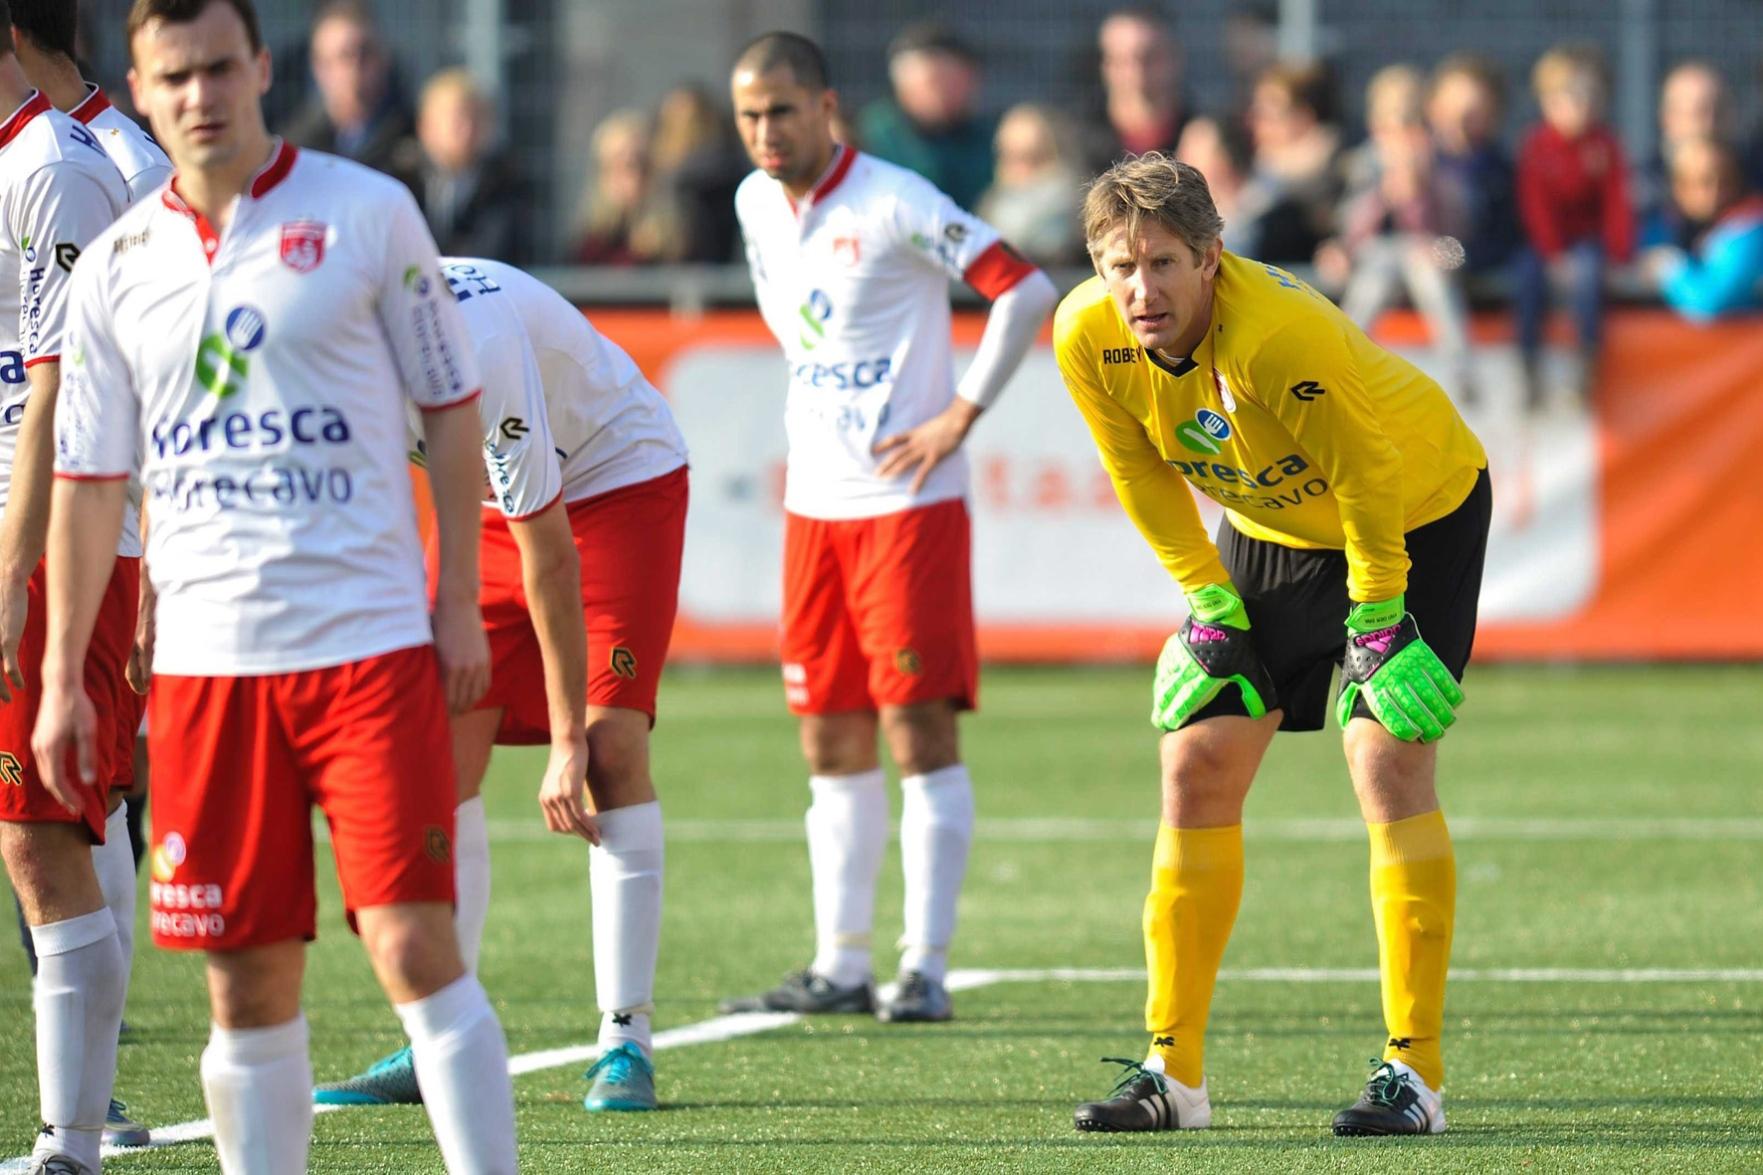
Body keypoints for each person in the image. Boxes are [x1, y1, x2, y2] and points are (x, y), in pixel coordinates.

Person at [37, 1, 517, 1171]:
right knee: (244, 982)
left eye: (218, 68)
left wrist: (455, 599)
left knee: (413, 945)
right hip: (206, 674)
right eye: (174, 77)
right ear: (140, 93)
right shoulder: (112, 269)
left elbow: (452, 417)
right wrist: (62, 677)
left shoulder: (367, 213)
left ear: (261, 67)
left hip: (365, 650)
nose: (200, 95)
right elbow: (90, 487)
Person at [1053, 153, 1488, 1136]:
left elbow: (1368, 474)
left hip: (1414, 509)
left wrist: (1377, 619)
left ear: (1211, 258)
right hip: (1273, 527)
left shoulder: (1278, 337)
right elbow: (1138, 472)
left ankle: (1411, 1076)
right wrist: (1207, 597)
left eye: (1162, 263)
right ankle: (1173, 1074)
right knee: (1194, 764)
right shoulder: (1086, 333)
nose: (1139, 289)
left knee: (1382, 758)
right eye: (1118, 265)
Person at [723, 32, 1056, 1023]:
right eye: (748, 114)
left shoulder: (895, 199)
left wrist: (957, 414)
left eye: (781, 109)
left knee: (917, 729)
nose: (764, 131)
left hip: (906, 510)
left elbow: (1023, 288)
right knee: (827, 736)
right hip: (812, 509)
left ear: (827, 106)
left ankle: (924, 965)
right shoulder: (751, 204)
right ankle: (839, 962)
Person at [315, 256, 690, 1114]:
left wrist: (562, 742)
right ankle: (437, 1033)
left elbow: (550, 557)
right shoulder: (316, 351)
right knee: (438, 760)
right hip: (480, 507)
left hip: (615, 479)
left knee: (608, 746)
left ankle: (624, 1039)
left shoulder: (469, 340)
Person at [7, 0, 171, 1152]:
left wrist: (17, 567)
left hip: (61, 540)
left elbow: (60, 395)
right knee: (61, 823)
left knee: (47, 832)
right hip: (52, 536)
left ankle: (75, 1127)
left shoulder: (59, 170)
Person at [1316, 65, 1476, 401]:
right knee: (1370, 286)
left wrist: (1420, 187)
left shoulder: (1441, 161)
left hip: (1431, 252)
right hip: (1378, 254)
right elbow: (1349, 224)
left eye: (1410, 120)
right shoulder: (1364, 161)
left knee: (1431, 277)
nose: (1400, 132)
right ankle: (1341, 366)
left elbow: (1455, 229)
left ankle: (1460, 369)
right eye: (1391, 121)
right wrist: (1385, 193)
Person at [1514, 45, 1633, 408]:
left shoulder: (1605, 146)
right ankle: (1528, 361)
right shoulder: (1536, 146)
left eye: (1589, 96)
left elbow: (1617, 202)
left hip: (1587, 241)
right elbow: (1535, 205)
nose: (1579, 106)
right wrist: (1552, 253)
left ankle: (1586, 360)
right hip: (1546, 244)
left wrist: (1619, 252)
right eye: (1568, 97)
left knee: (1588, 275)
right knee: (1527, 278)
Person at [857, 21, 995, 213]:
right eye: (935, 82)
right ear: (904, 84)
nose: (946, 92)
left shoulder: (990, 139)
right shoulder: (869, 136)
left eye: (956, 81)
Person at [279, 0, 417, 188]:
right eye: (345, 56)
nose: (356, 68)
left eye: (366, 53)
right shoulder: (296, 151)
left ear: (384, 57)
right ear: (319, 67)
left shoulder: (417, 140)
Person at [1643, 137, 1763, 321]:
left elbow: (1709, 302)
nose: (1715, 192)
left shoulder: (1748, 229)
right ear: (1679, 187)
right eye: (1703, 182)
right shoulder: (1659, 228)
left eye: (1725, 180)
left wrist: (1668, 267)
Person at [411, 68, 523, 262]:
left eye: (478, 117)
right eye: (458, 118)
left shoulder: (507, 184)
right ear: (426, 125)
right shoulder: (400, 178)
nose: (469, 128)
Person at [1425, 55, 1517, 278]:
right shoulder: (1415, 163)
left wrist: (1456, 257)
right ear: (1432, 107)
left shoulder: (1500, 175)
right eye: (1451, 108)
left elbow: (1505, 239)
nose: (1460, 120)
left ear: (1493, 115)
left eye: (1473, 112)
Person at [1175, 114, 1312, 263]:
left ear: (1224, 159)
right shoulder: (1182, 216)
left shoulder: (1280, 215)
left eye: (1192, 154)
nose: (1181, 161)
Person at [1246, 61, 1343, 264]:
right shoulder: (1257, 169)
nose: (1256, 123)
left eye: (1268, 115)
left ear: (1304, 117)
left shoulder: (1341, 171)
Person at [1084, 7, 1193, 175]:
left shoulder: (1203, 143)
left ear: (1175, 58)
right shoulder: (1077, 145)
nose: (1137, 72)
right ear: (1105, 66)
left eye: (1149, 58)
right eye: (1122, 60)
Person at [976, 103, 1086, 267]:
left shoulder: (1076, 211)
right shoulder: (991, 207)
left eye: (1033, 157)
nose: (1020, 169)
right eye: (1010, 156)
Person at [1642, 61, 1731, 249]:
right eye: (1699, 112)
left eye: (1719, 111)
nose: (1710, 125)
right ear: (1668, 118)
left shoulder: (1750, 181)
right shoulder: (1641, 189)